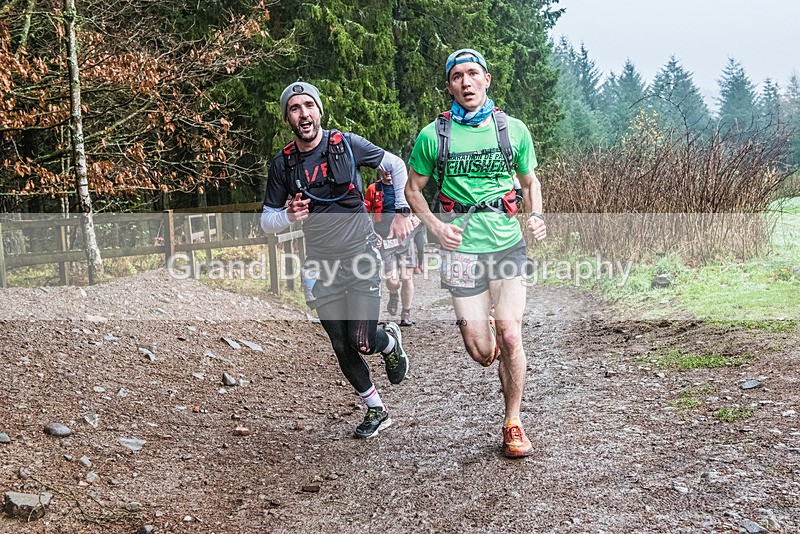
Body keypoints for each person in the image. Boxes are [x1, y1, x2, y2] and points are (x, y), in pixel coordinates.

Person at [400, 49, 547, 458]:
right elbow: (413, 190)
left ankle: (513, 422)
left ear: (487, 80)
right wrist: (435, 227)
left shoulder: (513, 130)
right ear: (448, 86)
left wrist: (536, 215)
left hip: (506, 247)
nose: (466, 82)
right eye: (457, 76)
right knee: (481, 350)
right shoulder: (434, 136)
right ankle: (495, 349)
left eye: (473, 74)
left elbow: (530, 181)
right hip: (461, 251)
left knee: (511, 332)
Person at [261, 82, 413, 439]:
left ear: (319, 111)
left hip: (360, 254)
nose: (303, 114)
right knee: (341, 344)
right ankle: (376, 409)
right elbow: (267, 221)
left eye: (309, 105)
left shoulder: (345, 143)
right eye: (295, 108)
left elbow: (396, 164)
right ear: (288, 118)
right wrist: (289, 216)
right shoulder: (283, 164)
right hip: (319, 264)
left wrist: (402, 208)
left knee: (361, 339)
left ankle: (388, 341)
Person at [364, 169, 420, 327]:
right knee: (393, 280)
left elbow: (419, 207)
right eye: (384, 169)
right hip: (385, 241)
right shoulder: (373, 189)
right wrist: (373, 234)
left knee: (407, 278)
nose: (388, 172)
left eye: (391, 169)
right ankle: (394, 293)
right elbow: (365, 214)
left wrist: (416, 218)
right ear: (379, 170)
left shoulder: (406, 187)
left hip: (406, 240)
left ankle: (406, 314)